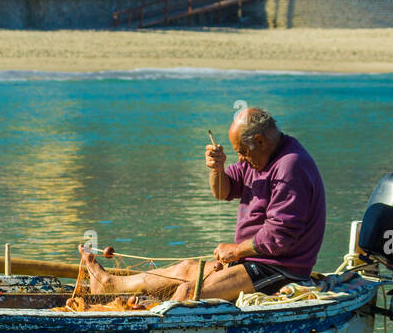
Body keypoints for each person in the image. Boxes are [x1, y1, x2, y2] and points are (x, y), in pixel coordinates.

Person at [79, 107, 326, 302]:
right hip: (252, 260)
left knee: (188, 293)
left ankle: (138, 322)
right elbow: (223, 191)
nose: (240, 158)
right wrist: (217, 169)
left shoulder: (290, 166)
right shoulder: (257, 159)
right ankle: (109, 285)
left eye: (242, 151)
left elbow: (280, 237)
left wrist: (237, 251)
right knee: (185, 269)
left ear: (260, 141)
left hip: (277, 269)